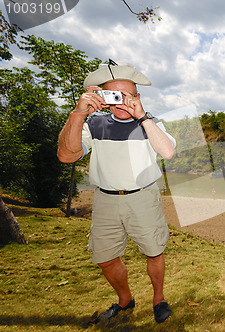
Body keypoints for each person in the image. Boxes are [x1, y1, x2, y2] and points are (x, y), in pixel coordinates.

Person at [57, 61, 176, 324]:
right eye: (114, 95)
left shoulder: (151, 123)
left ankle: (159, 299)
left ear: (138, 97)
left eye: (128, 96)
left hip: (143, 197)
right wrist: (78, 113)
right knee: (105, 257)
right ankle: (125, 299)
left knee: (154, 251)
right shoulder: (94, 124)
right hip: (106, 200)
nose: (121, 102)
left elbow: (167, 151)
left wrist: (143, 117)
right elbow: (66, 155)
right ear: (102, 97)